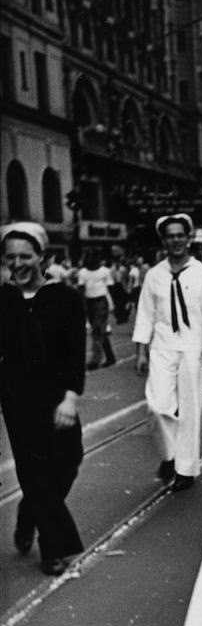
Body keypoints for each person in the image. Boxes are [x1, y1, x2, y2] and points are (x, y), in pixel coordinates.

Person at [0, 223, 86, 575]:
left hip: (56, 395)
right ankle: (54, 549)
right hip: (16, 397)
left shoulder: (65, 298)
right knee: (35, 471)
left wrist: (70, 398)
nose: (18, 264)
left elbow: (75, 352)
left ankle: (29, 512)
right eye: (10, 258)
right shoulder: (3, 299)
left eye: (25, 256)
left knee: (68, 460)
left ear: (42, 258)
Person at [132, 214, 202, 491]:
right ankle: (169, 455)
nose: (176, 240)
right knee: (157, 406)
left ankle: (186, 469)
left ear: (188, 237)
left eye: (180, 235)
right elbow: (145, 314)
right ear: (164, 240)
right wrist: (141, 351)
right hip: (162, 345)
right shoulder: (154, 275)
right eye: (170, 236)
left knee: (191, 407)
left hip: (193, 346)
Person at [77, 250, 116, 369]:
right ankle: (110, 357)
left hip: (101, 302)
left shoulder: (105, 271)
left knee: (98, 330)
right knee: (98, 330)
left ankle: (95, 360)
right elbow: (81, 289)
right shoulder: (83, 272)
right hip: (89, 302)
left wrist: (112, 304)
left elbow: (111, 288)